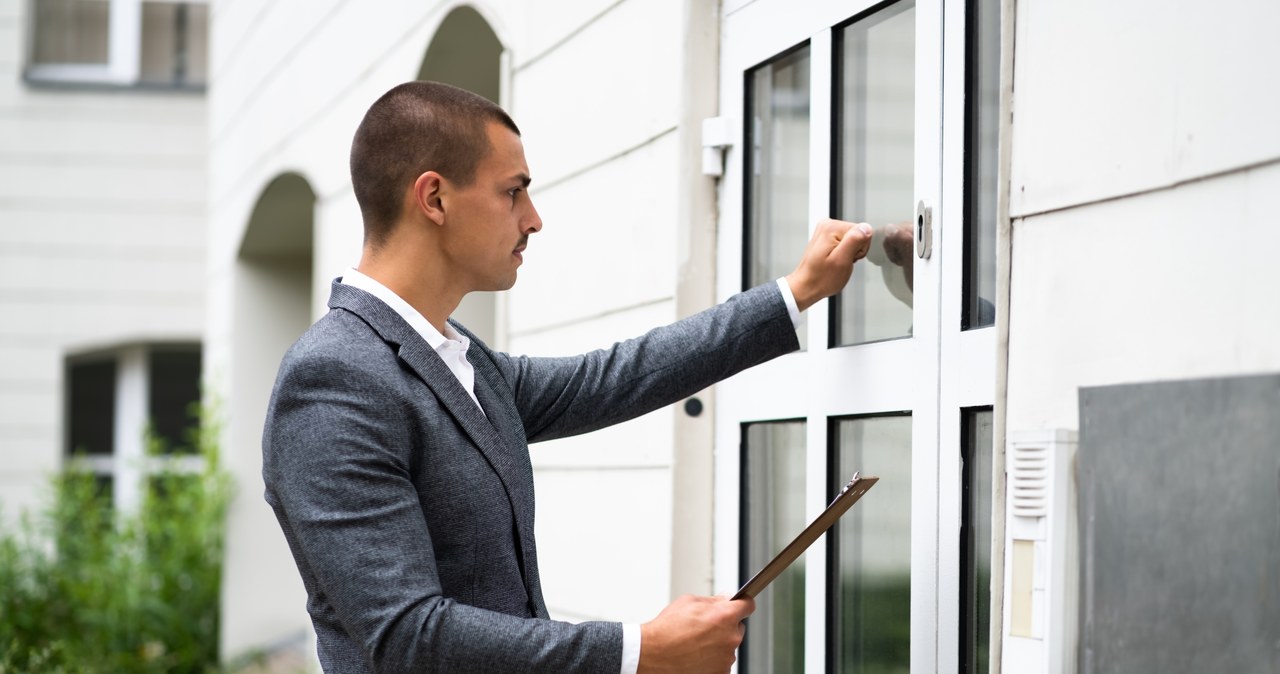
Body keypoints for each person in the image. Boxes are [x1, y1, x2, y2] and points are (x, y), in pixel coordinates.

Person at [262, 80, 874, 674]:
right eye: (513, 192)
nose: (533, 219)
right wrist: (639, 652)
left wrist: (796, 293)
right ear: (434, 198)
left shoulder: (453, 355)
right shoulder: (333, 379)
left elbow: (609, 379)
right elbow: (406, 636)